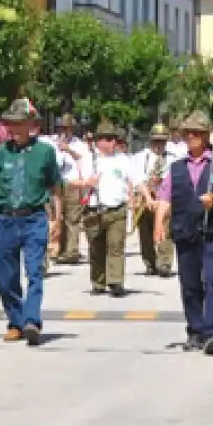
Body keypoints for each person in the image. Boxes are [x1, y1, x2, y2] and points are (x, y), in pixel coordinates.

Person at [0, 99, 62, 345]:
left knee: (35, 272)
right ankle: (16, 321)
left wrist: (57, 220)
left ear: (31, 124)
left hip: (34, 219)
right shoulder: (1, 153)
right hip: (6, 220)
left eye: (20, 123)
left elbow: (55, 187)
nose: (15, 128)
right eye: (11, 123)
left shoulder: (45, 152)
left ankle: (32, 321)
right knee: (7, 277)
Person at [153, 111, 213, 355]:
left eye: (196, 133)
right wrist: (158, 224)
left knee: (212, 280)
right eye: (187, 133)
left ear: (205, 136)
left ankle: (211, 333)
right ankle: (195, 330)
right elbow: (164, 198)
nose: (191, 137)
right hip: (185, 231)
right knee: (190, 284)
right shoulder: (176, 168)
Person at [77, 122, 134, 297]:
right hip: (94, 210)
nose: (112, 143)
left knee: (116, 246)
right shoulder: (87, 159)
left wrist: (139, 197)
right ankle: (98, 281)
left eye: (114, 139)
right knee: (96, 247)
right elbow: (69, 181)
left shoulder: (123, 160)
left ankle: (116, 281)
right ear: (98, 141)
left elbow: (135, 180)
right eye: (107, 139)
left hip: (116, 210)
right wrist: (86, 183)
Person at [134, 123, 176, 278]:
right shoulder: (140, 157)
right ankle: (150, 262)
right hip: (145, 197)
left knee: (165, 229)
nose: (159, 145)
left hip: (164, 198)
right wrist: (147, 197)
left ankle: (165, 262)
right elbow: (137, 179)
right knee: (145, 232)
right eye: (156, 141)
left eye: (162, 141)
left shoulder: (172, 158)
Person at [49, 114, 90, 265]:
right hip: (55, 183)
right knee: (56, 216)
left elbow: (83, 159)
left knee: (72, 218)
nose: (64, 131)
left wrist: (69, 150)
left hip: (72, 183)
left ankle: (71, 251)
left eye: (67, 128)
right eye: (61, 128)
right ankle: (57, 248)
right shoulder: (51, 143)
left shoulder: (80, 144)